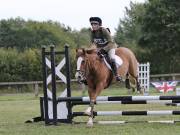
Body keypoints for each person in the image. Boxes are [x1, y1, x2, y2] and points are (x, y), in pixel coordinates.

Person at [89, 17, 122, 81]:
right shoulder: (92, 33)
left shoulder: (104, 30)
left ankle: (117, 75)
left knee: (111, 58)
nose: (93, 26)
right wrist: (89, 50)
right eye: (92, 24)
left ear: (99, 25)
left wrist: (103, 49)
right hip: (100, 48)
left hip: (110, 47)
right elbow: (93, 44)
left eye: (95, 24)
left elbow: (111, 42)